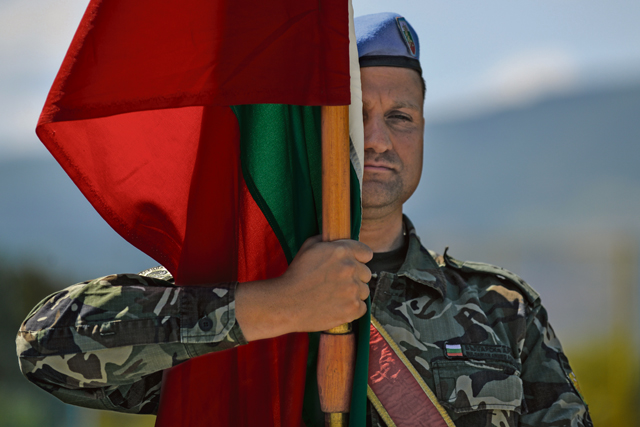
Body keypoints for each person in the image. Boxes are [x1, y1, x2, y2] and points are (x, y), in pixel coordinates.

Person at [16, 12, 592, 427]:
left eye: (401, 117)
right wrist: (279, 304)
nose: (377, 139)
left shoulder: (500, 308)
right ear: (316, 133)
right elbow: (46, 348)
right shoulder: (246, 278)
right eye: (356, 115)